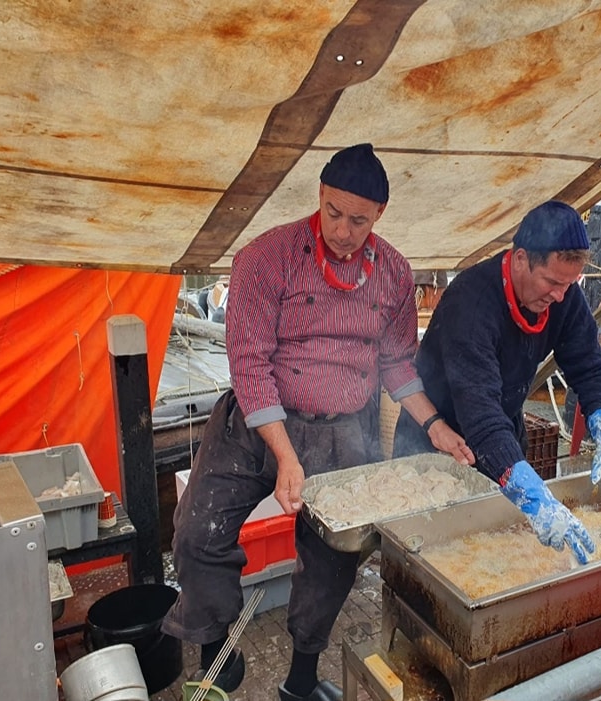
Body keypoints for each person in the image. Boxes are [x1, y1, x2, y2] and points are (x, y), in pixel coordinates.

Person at [162, 143, 473, 701]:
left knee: (335, 557)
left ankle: (300, 681)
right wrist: (284, 455)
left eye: (359, 219)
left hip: (343, 431)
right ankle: (219, 662)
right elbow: (250, 363)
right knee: (197, 532)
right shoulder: (266, 257)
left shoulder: (396, 274)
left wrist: (434, 426)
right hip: (256, 424)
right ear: (320, 197)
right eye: (334, 212)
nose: (344, 230)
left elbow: (397, 362)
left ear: (379, 214)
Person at [392, 200, 601, 565]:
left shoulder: (562, 296)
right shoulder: (471, 303)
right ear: (520, 259)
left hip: (502, 436)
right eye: (551, 281)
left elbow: (590, 366)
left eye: (569, 285)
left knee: (498, 556)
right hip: (436, 444)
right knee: (431, 561)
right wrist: (533, 496)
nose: (559, 296)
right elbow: (479, 409)